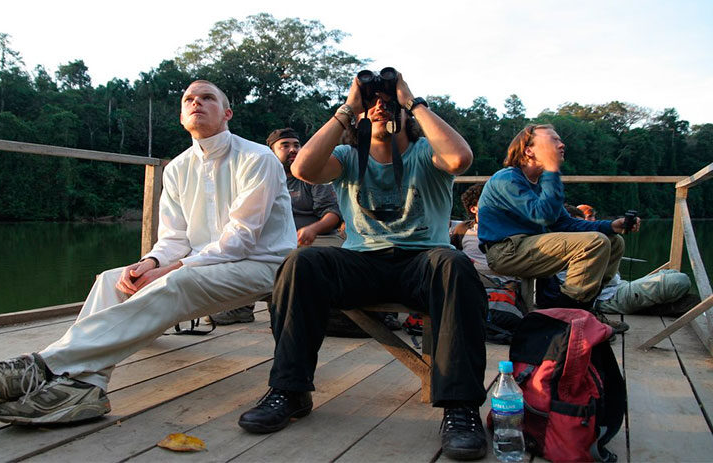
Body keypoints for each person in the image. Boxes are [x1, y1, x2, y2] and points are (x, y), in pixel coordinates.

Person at [0, 80, 297, 425]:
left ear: (227, 113)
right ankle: (86, 389)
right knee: (112, 280)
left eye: (208, 98)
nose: (197, 103)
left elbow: (239, 239)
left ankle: (40, 367)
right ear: (181, 117)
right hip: (203, 266)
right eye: (189, 99)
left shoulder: (257, 158)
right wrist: (149, 262)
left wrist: (172, 268)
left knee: (180, 281)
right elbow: (174, 238)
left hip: (265, 266)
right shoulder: (177, 168)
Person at [238, 71, 490, 461]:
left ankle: (460, 407)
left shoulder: (426, 154)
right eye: (373, 104)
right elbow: (302, 168)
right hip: (362, 263)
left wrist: (412, 101)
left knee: (455, 264)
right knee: (301, 262)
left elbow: (460, 157)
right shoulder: (346, 157)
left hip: (423, 264)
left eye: (388, 104)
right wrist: (350, 106)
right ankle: (290, 390)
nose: (380, 108)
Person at [476, 124, 640, 333]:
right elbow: (542, 214)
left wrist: (611, 225)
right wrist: (553, 170)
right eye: (552, 140)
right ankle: (565, 320)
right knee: (595, 243)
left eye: (560, 140)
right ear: (529, 150)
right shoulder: (507, 178)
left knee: (615, 242)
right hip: (506, 251)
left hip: (531, 247)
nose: (561, 144)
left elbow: (565, 223)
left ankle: (584, 312)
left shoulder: (539, 181)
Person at [211, 128, 343, 325]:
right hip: (278, 242)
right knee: (242, 250)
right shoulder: (261, 175)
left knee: (297, 260)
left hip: (317, 240)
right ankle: (241, 307)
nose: (293, 150)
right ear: (271, 152)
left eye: (297, 145)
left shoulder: (311, 175)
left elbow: (332, 214)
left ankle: (303, 314)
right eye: (285, 145)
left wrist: (313, 229)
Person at [570, 204, 692, 316]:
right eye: (588, 218)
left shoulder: (592, 239)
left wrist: (611, 229)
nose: (592, 222)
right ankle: (653, 307)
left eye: (593, 218)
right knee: (679, 281)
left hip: (619, 286)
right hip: (608, 298)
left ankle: (652, 304)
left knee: (672, 273)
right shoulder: (570, 249)